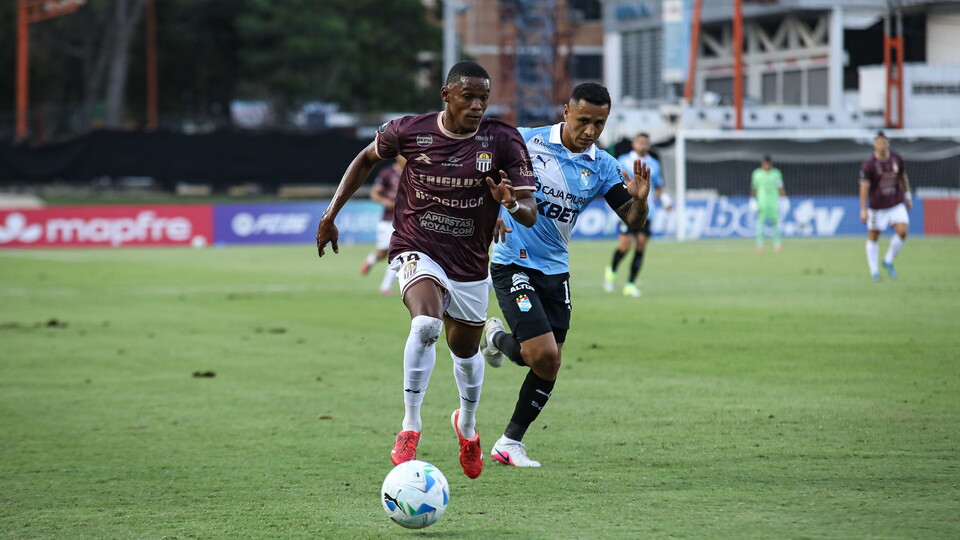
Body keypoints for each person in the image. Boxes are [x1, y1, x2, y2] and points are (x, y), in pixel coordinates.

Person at [315, 61, 538, 478]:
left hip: (470, 260)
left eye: (483, 98)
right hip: (417, 246)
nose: (476, 105)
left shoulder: (503, 139)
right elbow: (364, 159)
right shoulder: (409, 130)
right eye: (468, 96)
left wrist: (509, 202)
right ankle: (410, 426)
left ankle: (467, 427)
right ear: (446, 94)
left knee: (465, 351)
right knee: (425, 326)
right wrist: (331, 213)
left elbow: (529, 210)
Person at [480, 82, 651, 467]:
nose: (590, 131)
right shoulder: (525, 141)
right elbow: (483, 179)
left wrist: (639, 201)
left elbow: (632, 221)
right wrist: (488, 216)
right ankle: (509, 437)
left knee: (546, 362)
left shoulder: (603, 165)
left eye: (599, 123)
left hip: (556, 270)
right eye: (584, 120)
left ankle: (509, 436)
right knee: (543, 352)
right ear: (565, 112)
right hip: (512, 262)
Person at [603, 132, 671, 297]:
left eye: (646, 143)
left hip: (648, 212)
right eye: (640, 142)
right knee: (625, 247)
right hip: (627, 210)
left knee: (640, 247)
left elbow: (658, 186)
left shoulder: (654, 163)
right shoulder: (624, 160)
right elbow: (616, 183)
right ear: (634, 144)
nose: (643, 146)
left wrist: (665, 200)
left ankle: (630, 284)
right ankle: (611, 270)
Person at [859, 131, 912, 281]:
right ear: (874, 144)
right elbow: (864, 187)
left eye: (884, 141)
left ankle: (888, 260)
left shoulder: (897, 159)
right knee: (873, 236)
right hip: (877, 207)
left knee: (903, 231)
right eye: (879, 141)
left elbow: (903, 177)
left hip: (895, 203)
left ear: (888, 142)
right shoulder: (868, 165)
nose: (882, 144)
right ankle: (874, 271)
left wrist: (907, 196)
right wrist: (863, 209)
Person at [359, 157, 405, 295]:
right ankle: (371, 260)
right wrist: (385, 201)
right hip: (387, 219)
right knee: (382, 253)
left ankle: (385, 287)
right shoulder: (387, 173)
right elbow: (374, 194)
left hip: (405, 221)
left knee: (397, 253)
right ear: (398, 156)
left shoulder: (413, 172)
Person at [749, 155, 789, 252]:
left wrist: (784, 199)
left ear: (770, 164)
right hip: (762, 202)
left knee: (775, 224)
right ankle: (760, 245)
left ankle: (777, 245)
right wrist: (752, 200)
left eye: (767, 163)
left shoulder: (776, 173)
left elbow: (780, 187)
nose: (765, 165)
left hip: (773, 202)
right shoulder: (757, 173)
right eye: (764, 163)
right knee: (760, 224)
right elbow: (754, 188)